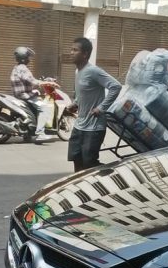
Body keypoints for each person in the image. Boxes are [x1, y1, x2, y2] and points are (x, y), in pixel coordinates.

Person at [66, 37, 121, 172]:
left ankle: (110, 175)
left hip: (94, 128)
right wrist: (75, 104)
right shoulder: (78, 71)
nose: (71, 52)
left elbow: (116, 86)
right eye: (71, 49)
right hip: (79, 125)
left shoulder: (93, 71)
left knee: (89, 163)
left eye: (75, 50)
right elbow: (82, 93)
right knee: (76, 159)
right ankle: (79, 188)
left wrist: (101, 108)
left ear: (85, 54)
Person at [10, 46, 57, 142]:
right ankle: (40, 133)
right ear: (24, 58)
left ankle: (27, 134)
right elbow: (32, 81)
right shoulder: (23, 68)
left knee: (37, 98)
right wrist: (47, 83)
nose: (29, 59)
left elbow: (26, 82)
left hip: (20, 95)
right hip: (25, 96)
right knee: (44, 108)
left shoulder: (16, 68)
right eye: (28, 57)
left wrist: (34, 90)